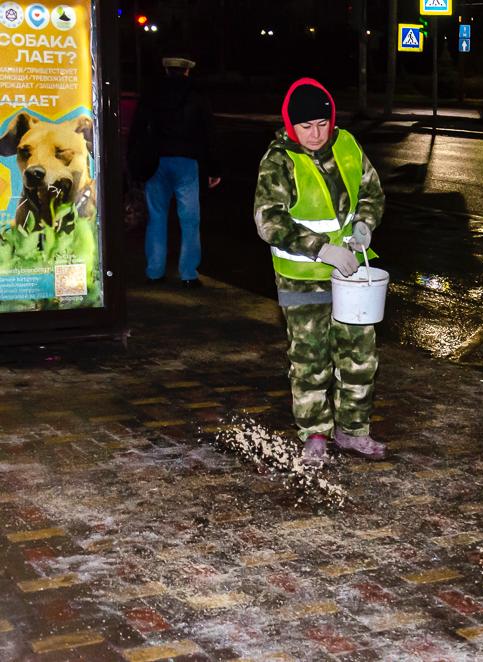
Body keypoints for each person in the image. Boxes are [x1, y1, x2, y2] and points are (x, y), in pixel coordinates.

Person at [253, 78, 386, 465]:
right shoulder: (278, 160)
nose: (315, 134)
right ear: (291, 126)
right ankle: (314, 434)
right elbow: (269, 220)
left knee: (359, 355)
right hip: (301, 277)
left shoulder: (346, 145)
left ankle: (353, 432)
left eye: (322, 124)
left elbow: (371, 192)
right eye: (306, 126)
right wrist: (321, 249)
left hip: (351, 274)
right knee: (310, 358)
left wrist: (364, 224)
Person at [127, 56, 221, 288]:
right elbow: (209, 134)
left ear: (166, 70)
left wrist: (134, 164)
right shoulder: (197, 96)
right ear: (187, 72)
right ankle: (188, 273)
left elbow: (137, 129)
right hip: (187, 162)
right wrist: (214, 168)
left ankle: (154, 272)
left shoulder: (152, 94)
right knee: (190, 219)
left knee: (156, 217)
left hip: (156, 161)